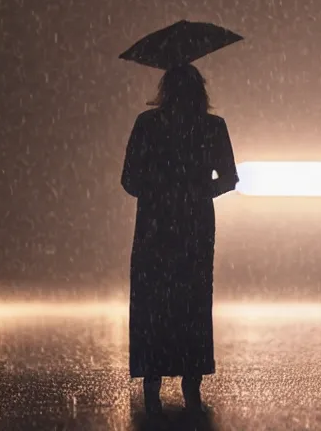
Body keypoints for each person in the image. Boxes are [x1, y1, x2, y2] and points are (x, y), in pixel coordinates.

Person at [121, 64, 239, 417]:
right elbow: (230, 178)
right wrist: (198, 191)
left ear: (165, 89)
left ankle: (152, 376)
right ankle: (192, 377)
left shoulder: (147, 125)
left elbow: (129, 179)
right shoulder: (212, 127)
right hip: (196, 226)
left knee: (153, 298)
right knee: (193, 298)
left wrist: (159, 192)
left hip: (155, 226)